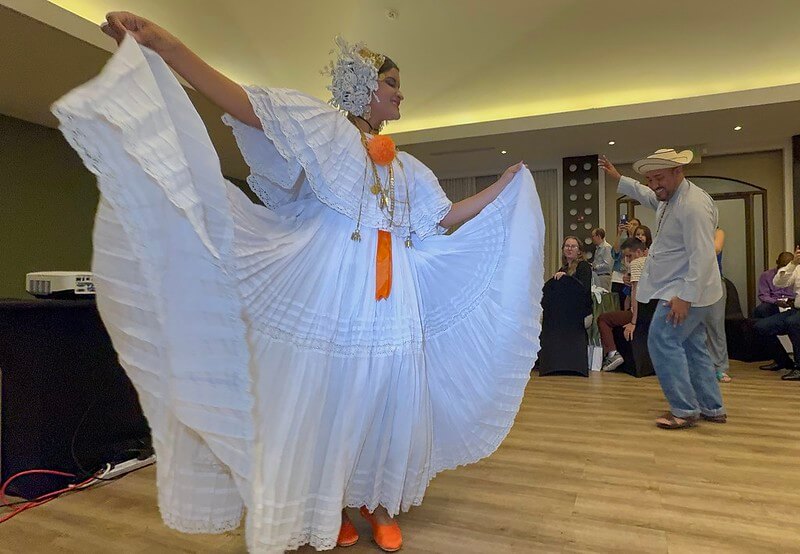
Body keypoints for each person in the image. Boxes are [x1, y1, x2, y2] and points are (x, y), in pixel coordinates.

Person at [53, 12, 544, 553]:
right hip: (332, 282)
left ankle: (374, 501)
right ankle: (327, 500)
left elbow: (444, 216)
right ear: (364, 89)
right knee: (333, 390)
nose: (401, 96)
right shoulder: (327, 132)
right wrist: (169, 46)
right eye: (392, 84)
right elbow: (245, 103)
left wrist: (503, 187)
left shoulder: (409, 169)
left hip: (393, 295)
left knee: (387, 391)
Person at [600, 149, 726, 430]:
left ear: (678, 171)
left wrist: (685, 297)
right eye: (649, 178)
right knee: (693, 347)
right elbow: (647, 195)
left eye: (659, 178)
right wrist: (620, 179)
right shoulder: (671, 199)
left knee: (661, 340)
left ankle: (684, 409)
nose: (654, 185)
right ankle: (712, 407)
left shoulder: (692, 206)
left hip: (687, 291)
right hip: (686, 289)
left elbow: (704, 256)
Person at [597, 237, 648, 371]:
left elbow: (635, 294)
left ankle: (613, 354)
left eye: (629, 256)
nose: (628, 260)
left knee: (603, 319)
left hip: (640, 313)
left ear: (638, 252)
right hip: (652, 311)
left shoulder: (637, 264)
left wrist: (633, 322)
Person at [755, 247, 800, 380]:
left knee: (793, 323)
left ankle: (799, 368)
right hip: (796, 309)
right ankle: (783, 361)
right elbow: (778, 282)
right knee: (761, 327)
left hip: (795, 314)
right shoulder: (796, 268)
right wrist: (793, 264)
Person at [708, 227, 731, 383]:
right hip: (692, 284)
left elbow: (716, 249)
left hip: (714, 284)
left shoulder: (718, 232)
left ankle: (720, 368)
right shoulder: (689, 231)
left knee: (716, 326)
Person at [754, 252, 795, 319]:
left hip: (792, 304)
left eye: (789, 267)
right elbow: (763, 295)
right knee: (760, 310)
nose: (786, 269)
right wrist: (776, 302)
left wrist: (793, 301)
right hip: (773, 304)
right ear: (777, 262)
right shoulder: (766, 275)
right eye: (783, 265)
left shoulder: (797, 275)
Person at [611, 217, 641, 307]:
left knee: (630, 304)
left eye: (634, 224)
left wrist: (632, 234)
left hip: (633, 277)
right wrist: (619, 233)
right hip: (618, 276)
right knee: (617, 305)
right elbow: (615, 253)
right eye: (630, 224)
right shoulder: (623, 240)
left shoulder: (640, 241)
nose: (631, 226)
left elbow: (634, 249)